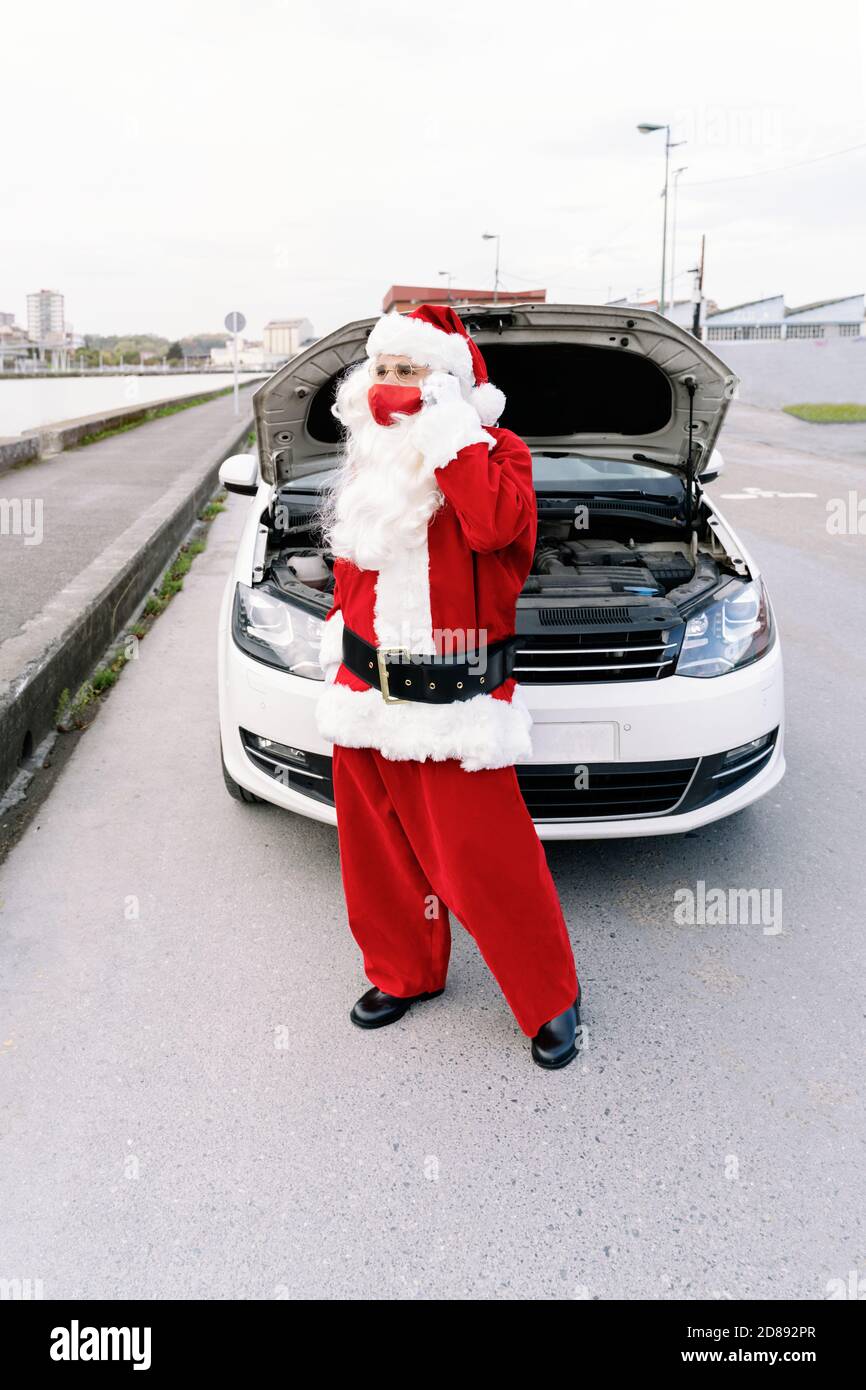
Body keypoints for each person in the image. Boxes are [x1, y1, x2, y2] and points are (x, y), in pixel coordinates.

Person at [315, 303, 582, 1069]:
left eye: (412, 371)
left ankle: (549, 996)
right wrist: (340, 633)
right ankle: (404, 973)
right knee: (379, 858)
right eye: (386, 370)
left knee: (484, 862)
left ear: (450, 386)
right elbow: (351, 560)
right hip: (364, 689)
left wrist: (445, 434)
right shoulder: (372, 459)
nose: (393, 386)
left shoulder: (495, 453)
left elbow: (496, 528)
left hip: (455, 702)